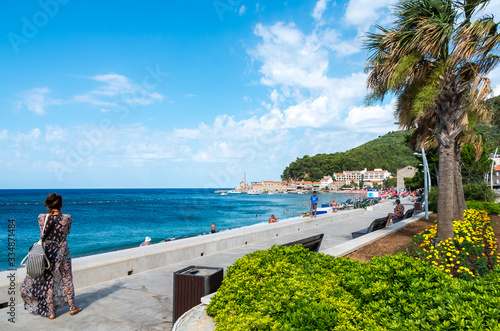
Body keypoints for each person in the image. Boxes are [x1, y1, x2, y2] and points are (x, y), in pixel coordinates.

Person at [20, 193, 82, 319]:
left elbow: (42, 232)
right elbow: (67, 232)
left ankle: (51, 312)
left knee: (48, 280)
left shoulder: (41, 217)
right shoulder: (67, 218)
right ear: (61, 205)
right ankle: (72, 307)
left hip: (47, 252)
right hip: (62, 250)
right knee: (67, 278)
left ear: (47, 205)